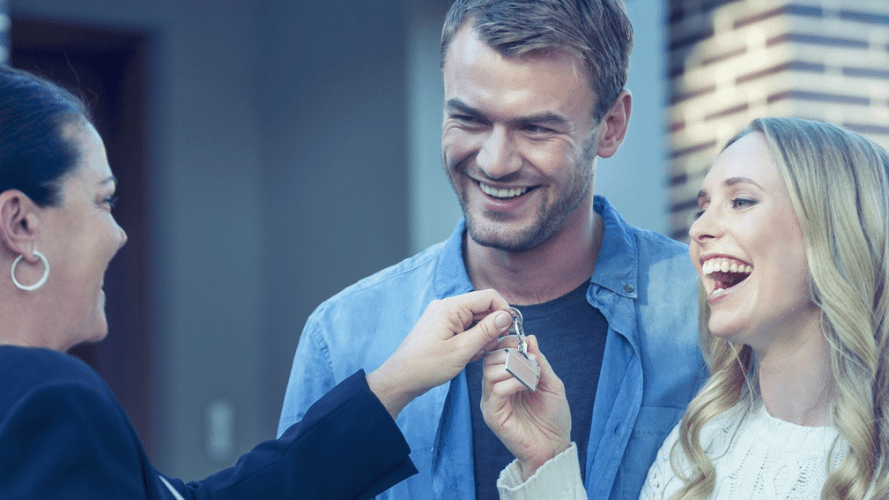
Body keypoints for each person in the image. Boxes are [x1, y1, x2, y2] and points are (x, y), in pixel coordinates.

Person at [0, 63, 518, 499]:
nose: (117, 234)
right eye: (103, 201)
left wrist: (393, 383)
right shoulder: (52, 402)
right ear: (21, 224)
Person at [278, 0, 704, 498]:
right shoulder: (343, 339)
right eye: (471, 120)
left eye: (535, 128)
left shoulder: (709, 320)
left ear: (610, 126)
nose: (496, 162)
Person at [484, 117, 889, 499]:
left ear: (838, 233)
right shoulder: (698, 446)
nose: (697, 230)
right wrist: (546, 459)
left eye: (741, 200)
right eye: (703, 207)